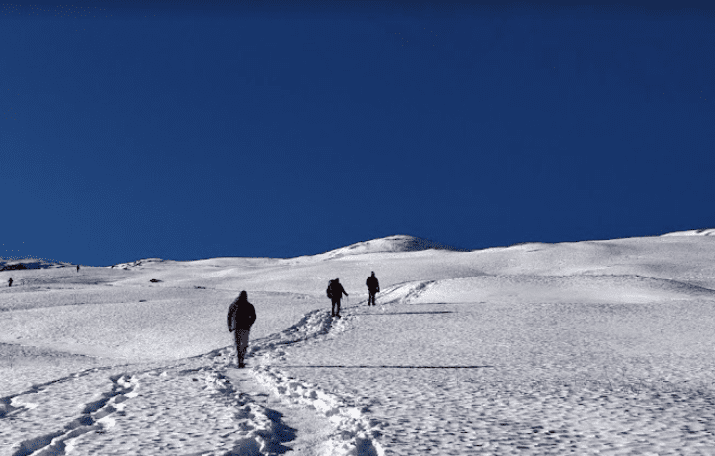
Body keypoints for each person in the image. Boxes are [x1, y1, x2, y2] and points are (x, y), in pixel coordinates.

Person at [227, 290, 256, 368]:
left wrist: (230, 327)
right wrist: (249, 324)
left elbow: (229, 317)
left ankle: (238, 361)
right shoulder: (249, 305)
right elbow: (253, 317)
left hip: (235, 328)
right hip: (245, 327)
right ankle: (241, 361)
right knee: (244, 344)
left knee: (237, 345)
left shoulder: (233, 305)